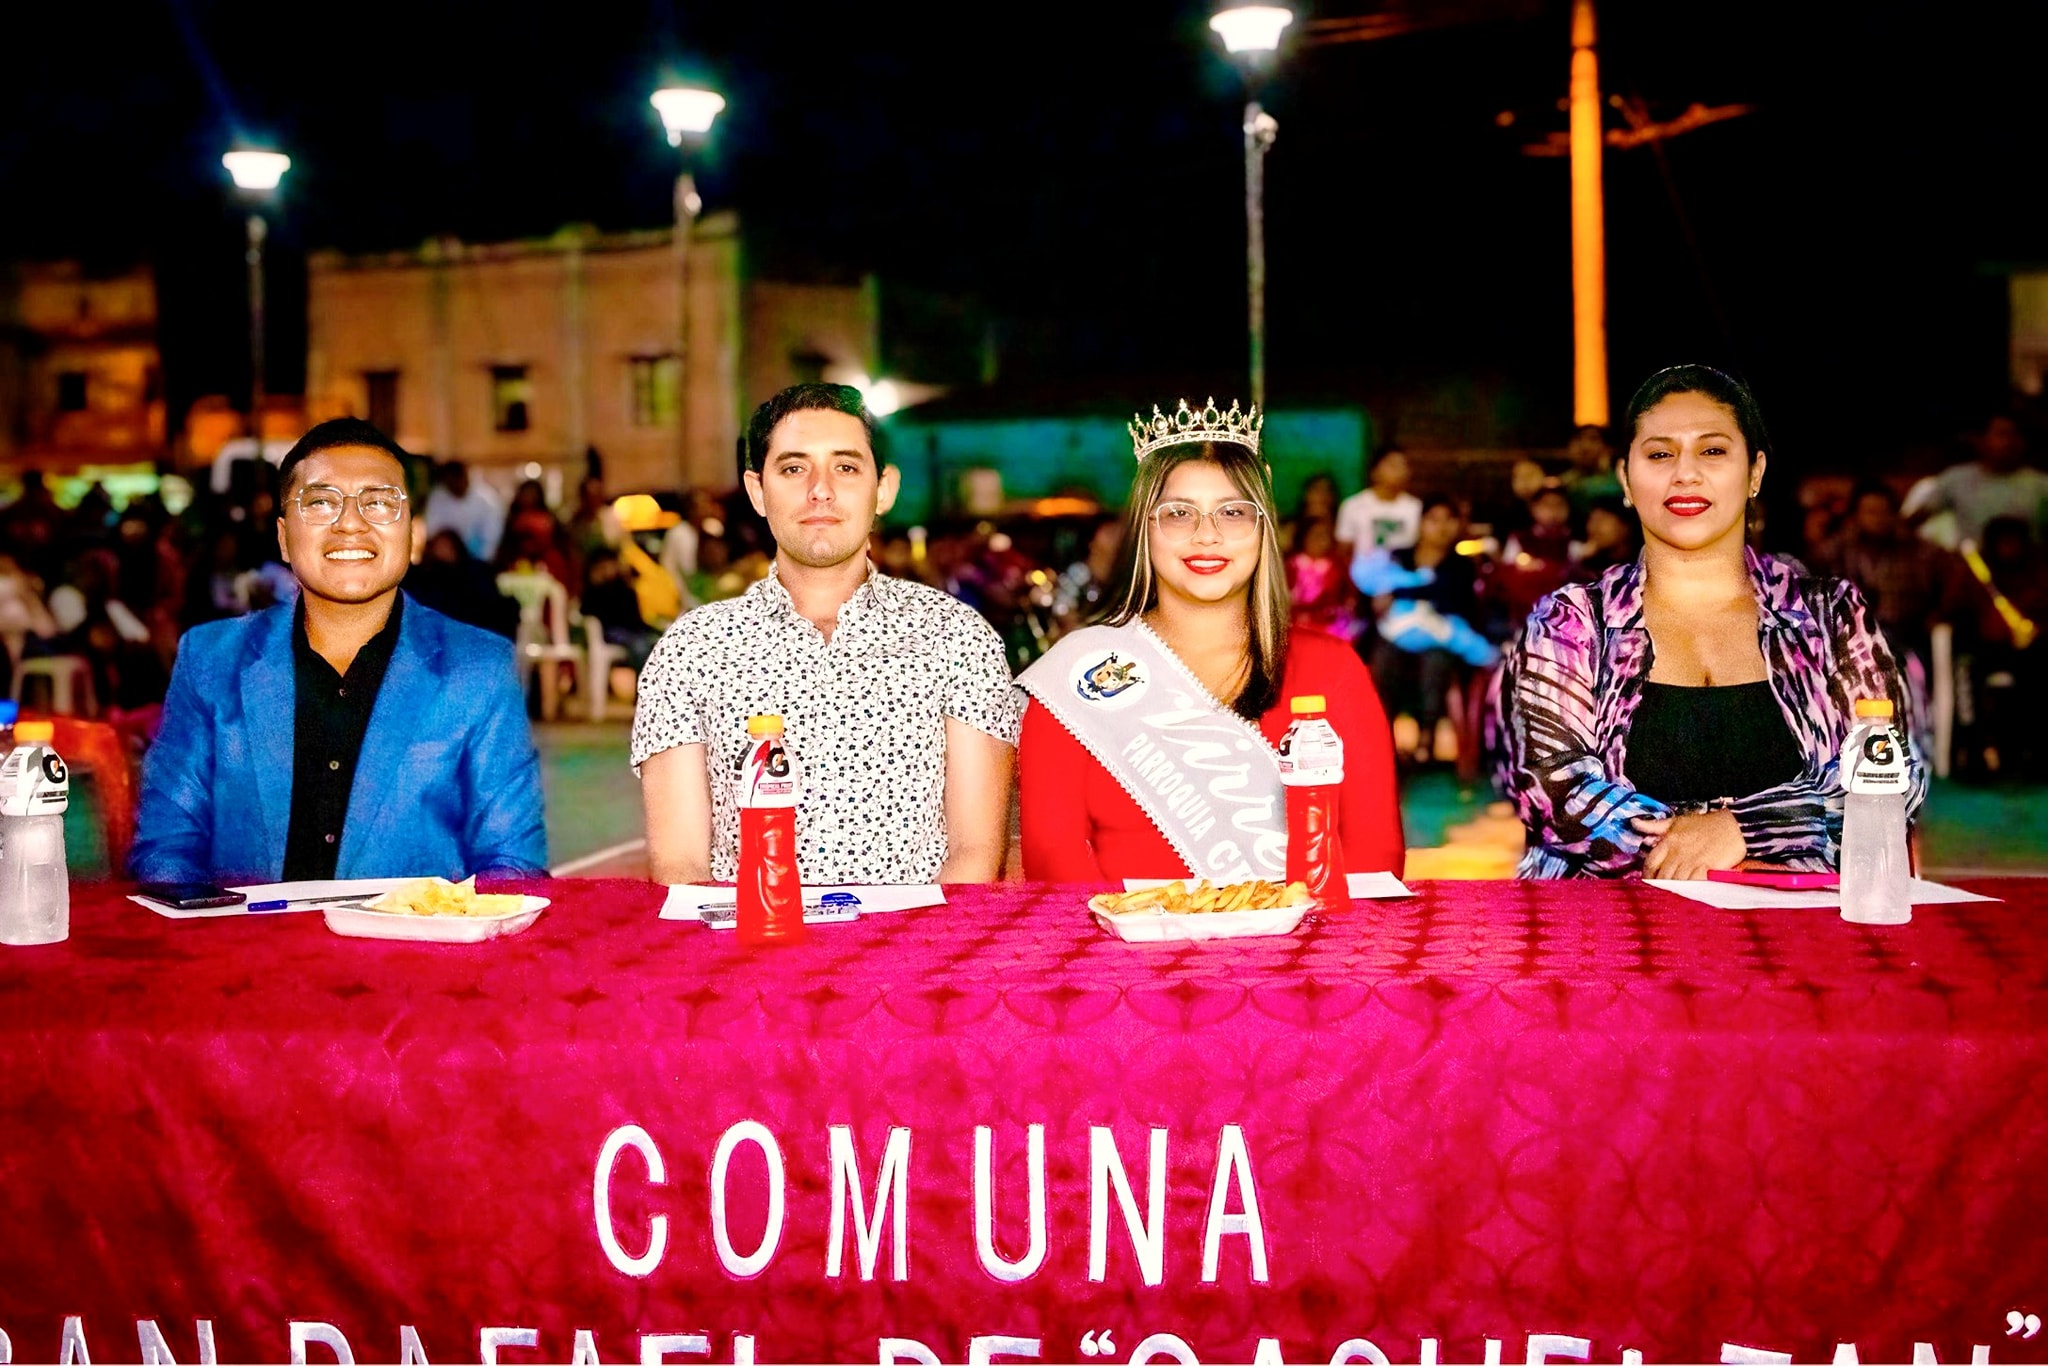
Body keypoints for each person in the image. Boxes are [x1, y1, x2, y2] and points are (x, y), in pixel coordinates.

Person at [1495, 365, 1924, 879]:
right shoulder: (1570, 623)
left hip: (1799, 924)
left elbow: (1894, 778)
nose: (1685, 473)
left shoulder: (1831, 618)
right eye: (1660, 454)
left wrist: (1742, 831)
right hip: (1609, 923)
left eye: (1713, 451)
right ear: (1626, 478)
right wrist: (1702, 848)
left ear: (1755, 472)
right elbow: (1550, 788)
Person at [632, 383, 1020, 885]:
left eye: (846, 467)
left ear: (884, 489)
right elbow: (680, 868)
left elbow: (975, 858)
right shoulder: (692, 650)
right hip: (749, 932)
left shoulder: (957, 639)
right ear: (757, 491)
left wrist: (908, 939)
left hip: (918, 934)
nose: (821, 490)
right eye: (794, 468)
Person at [132, 418, 547, 884]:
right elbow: (166, 848)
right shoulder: (211, 660)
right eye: (321, 502)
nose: (350, 523)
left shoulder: (479, 669)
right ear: (284, 538)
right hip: (247, 931)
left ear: (412, 533)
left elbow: (514, 867)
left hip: (416, 933)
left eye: (379, 502)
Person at [1016, 399, 1404, 882]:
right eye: (1179, 513)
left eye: (1233, 512)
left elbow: (1374, 860)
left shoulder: (1332, 668)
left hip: (1307, 932)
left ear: (1263, 528)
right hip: (1119, 932)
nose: (1206, 535)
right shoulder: (1079, 673)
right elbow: (1054, 864)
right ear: (1144, 529)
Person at [1365, 498, 1495, 766]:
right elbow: (1378, 594)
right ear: (1422, 523)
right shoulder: (1398, 556)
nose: (1442, 527)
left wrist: (1406, 595)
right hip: (1396, 638)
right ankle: (1382, 742)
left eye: (1449, 520)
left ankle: (1426, 742)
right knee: (1384, 658)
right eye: (1434, 519)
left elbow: (1456, 604)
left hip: (1440, 640)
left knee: (1435, 662)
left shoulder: (1462, 566)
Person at [1903, 411, 2048, 548]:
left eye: (2015, 435)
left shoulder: (2041, 484)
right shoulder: (1956, 479)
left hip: (2029, 563)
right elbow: (1909, 523)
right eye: (2001, 435)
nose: (2009, 442)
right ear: (1980, 440)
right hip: (1971, 562)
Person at [1335, 449, 1422, 572]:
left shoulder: (1416, 508)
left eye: (1404, 466)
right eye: (1393, 465)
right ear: (1375, 471)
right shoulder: (1352, 506)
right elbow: (1344, 550)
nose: (1400, 471)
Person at [423, 461, 505, 563]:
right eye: (450, 480)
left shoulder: (487, 499)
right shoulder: (437, 498)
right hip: (445, 561)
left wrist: (482, 560)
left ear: (466, 476)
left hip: (479, 560)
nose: (455, 483)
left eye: (457, 478)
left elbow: (492, 537)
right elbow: (433, 532)